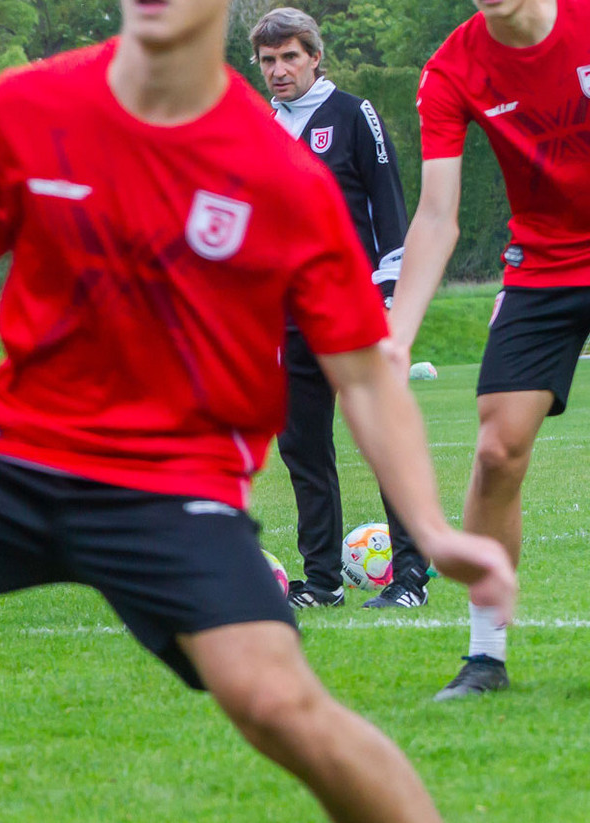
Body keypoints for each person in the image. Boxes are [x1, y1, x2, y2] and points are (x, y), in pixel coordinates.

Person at [0, 0, 518, 820]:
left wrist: (434, 531)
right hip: (6, 453)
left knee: (280, 707)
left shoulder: (281, 175)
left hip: (173, 487)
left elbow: (367, 376)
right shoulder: (31, 105)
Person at [387, 0, 589, 700]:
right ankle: (485, 656)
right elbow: (438, 215)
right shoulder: (452, 69)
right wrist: (398, 334)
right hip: (544, 268)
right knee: (497, 451)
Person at [250, 7, 431, 610]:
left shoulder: (355, 115)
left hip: (355, 314)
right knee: (304, 451)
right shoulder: (257, 130)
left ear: (314, 57)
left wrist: (390, 298)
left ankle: (409, 579)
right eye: (269, 60)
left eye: (290, 57)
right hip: (287, 320)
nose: (278, 70)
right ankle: (322, 582)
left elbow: (389, 209)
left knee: (383, 443)